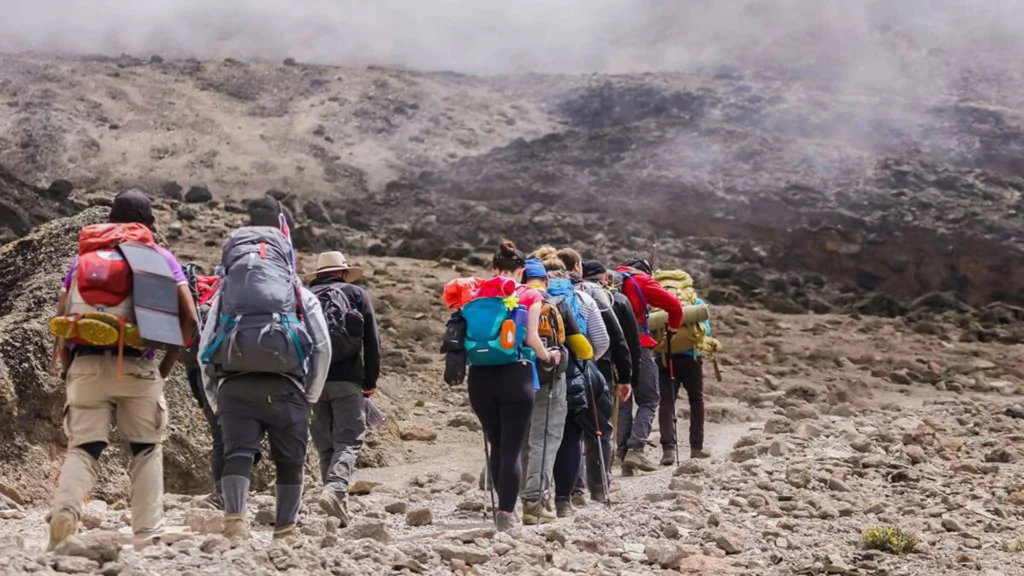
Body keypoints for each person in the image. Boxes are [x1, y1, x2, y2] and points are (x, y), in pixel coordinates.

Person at [48, 190, 197, 550]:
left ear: (110, 219)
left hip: (84, 363)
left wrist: (71, 369)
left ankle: (65, 512)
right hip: (138, 366)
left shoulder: (82, 260)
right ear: (148, 223)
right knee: (145, 450)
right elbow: (189, 319)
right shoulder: (159, 257)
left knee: (83, 447)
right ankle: (146, 534)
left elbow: (63, 321)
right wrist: (163, 368)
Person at [199, 226, 331, 544]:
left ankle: (235, 523)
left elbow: (206, 350)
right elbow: (322, 346)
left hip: (234, 387)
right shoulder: (297, 292)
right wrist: (310, 395)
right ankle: (284, 531)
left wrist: (217, 399)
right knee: (290, 461)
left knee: (238, 454)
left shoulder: (227, 294)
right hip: (287, 388)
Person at [466, 240, 561, 531]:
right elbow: (531, 338)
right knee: (511, 448)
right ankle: (507, 514)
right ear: (521, 270)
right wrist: (549, 356)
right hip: (516, 374)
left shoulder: (475, 293)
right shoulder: (529, 294)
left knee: (496, 444)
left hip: (480, 376)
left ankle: (501, 508)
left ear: (494, 269)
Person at [305, 251, 381, 527]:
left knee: (325, 446)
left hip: (312, 382)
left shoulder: (303, 297)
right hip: (348, 380)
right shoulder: (356, 294)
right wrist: (370, 381)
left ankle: (337, 509)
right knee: (348, 440)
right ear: (344, 272)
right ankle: (336, 489)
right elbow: (372, 341)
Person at [534, 248, 608, 518]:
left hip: (531, 373)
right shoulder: (580, 298)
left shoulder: (526, 297)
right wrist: (583, 362)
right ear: (568, 273)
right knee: (569, 435)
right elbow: (600, 342)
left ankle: (533, 498)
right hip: (572, 372)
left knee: (536, 436)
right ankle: (564, 498)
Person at [558, 250, 635, 504]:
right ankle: (600, 487)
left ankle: (571, 490)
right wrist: (622, 373)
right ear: (577, 265)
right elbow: (611, 337)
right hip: (592, 369)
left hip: (552, 369)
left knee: (567, 431)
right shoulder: (591, 294)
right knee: (598, 428)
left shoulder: (544, 294)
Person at [519, 258, 590, 525]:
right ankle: (536, 502)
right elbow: (585, 349)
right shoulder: (555, 303)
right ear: (546, 281)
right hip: (548, 380)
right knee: (545, 439)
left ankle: (508, 503)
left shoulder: (508, 301)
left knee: (518, 440)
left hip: (512, 378)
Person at [611, 258, 683, 474]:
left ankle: (622, 454)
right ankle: (636, 449)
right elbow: (675, 306)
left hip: (611, 348)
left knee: (623, 400)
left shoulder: (609, 280)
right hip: (639, 346)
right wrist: (672, 328)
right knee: (650, 399)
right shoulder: (642, 281)